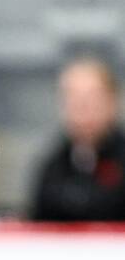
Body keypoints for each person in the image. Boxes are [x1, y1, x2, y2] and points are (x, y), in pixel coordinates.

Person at [29, 58, 125, 223]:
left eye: (92, 98)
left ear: (112, 102)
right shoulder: (52, 164)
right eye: (72, 97)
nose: (82, 107)